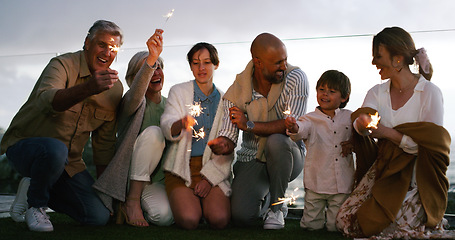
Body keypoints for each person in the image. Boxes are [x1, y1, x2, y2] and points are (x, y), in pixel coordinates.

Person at [1, 20, 124, 232]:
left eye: (113, 48)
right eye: (101, 44)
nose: (107, 52)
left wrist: (107, 197)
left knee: (98, 216)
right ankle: (36, 206)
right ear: (87, 42)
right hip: (26, 148)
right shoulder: (61, 64)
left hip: (69, 163)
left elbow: (103, 146)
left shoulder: (114, 89)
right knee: (55, 149)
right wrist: (88, 88)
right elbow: (50, 101)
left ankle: (33, 186)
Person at [336, 26, 454, 239]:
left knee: (396, 228)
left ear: (398, 59)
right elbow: (361, 119)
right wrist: (361, 124)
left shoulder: (429, 92)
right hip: (384, 170)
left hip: (418, 175)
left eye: (378, 56)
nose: (374, 62)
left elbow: (431, 145)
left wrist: (387, 133)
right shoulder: (377, 92)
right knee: (346, 220)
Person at [208, 33, 309, 229]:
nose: (283, 66)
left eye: (285, 60)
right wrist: (222, 144)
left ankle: (277, 209)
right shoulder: (237, 89)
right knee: (241, 217)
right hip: (252, 156)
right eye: (277, 62)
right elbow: (229, 133)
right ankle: (269, 197)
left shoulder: (296, 77)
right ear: (258, 62)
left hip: (288, 153)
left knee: (276, 141)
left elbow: (291, 126)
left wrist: (250, 125)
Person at [93, 29, 173, 227]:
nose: (156, 72)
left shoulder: (171, 104)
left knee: (165, 218)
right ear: (136, 78)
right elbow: (136, 94)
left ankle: (143, 203)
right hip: (132, 180)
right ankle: (131, 201)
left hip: (159, 180)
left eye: (159, 67)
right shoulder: (131, 102)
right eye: (149, 69)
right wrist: (151, 58)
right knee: (155, 134)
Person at [160, 42, 233, 230]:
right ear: (191, 66)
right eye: (195, 63)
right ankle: (193, 205)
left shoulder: (227, 101)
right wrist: (180, 123)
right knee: (189, 220)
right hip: (180, 168)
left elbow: (228, 146)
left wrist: (209, 178)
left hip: (211, 168)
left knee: (219, 219)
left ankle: (206, 204)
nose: (201, 68)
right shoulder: (178, 92)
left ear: (216, 65)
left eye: (207, 62)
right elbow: (167, 124)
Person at [285, 70, 354, 232]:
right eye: (322, 90)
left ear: (344, 97)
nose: (325, 94)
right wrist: (293, 126)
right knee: (311, 225)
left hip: (342, 183)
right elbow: (300, 130)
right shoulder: (309, 119)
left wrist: (353, 141)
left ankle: (333, 225)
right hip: (316, 181)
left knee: (335, 226)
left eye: (332, 91)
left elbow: (360, 133)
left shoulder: (349, 118)